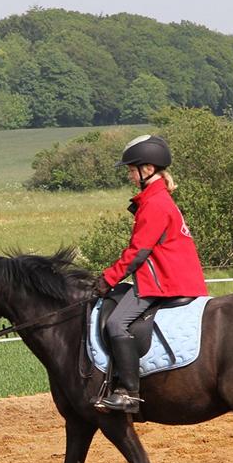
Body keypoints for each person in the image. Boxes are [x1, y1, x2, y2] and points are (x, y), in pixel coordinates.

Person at [92, 134, 208, 413]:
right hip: (177, 277)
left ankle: (129, 393)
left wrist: (107, 279)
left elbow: (137, 252)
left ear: (148, 169)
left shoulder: (155, 203)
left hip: (166, 282)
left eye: (133, 170)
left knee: (116, 323)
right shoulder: (158, 198)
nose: (131, 175)